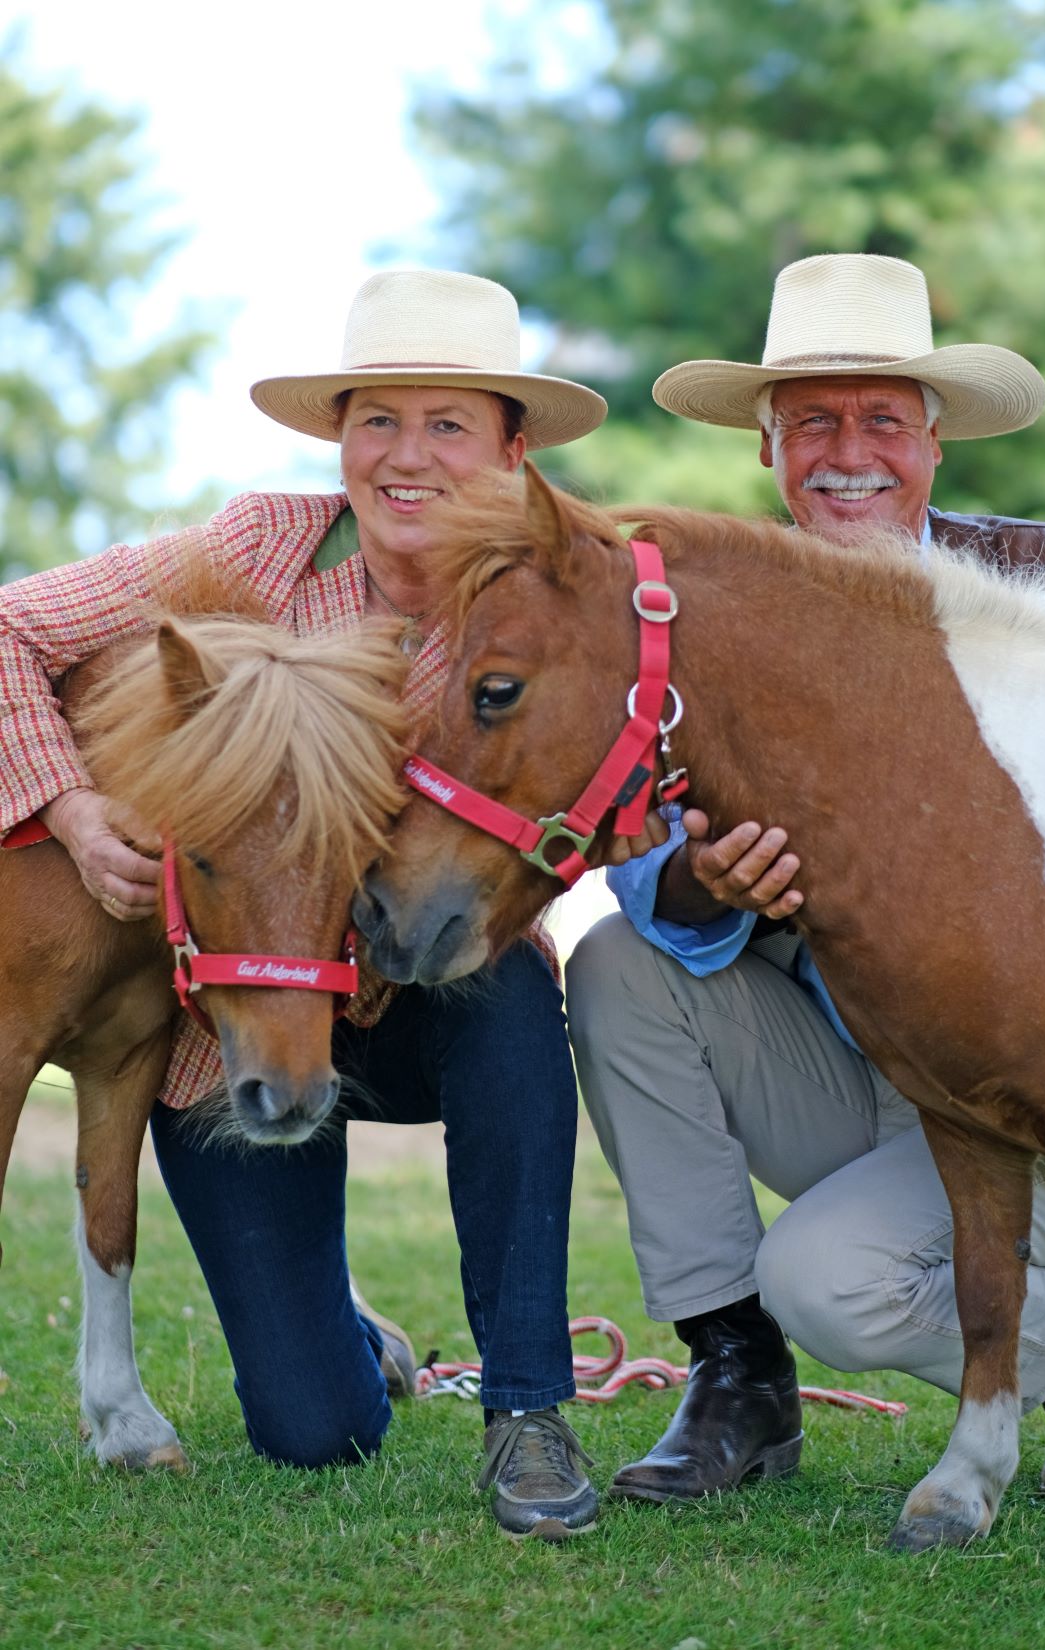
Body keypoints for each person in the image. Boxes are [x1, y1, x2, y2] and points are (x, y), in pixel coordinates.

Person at [566, 253, 1045, 1505]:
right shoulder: (714, 628)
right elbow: (645, 900)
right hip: (883, 1068)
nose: (850, 453)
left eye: (883, 420)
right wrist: (707, 888)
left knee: (831, 1280)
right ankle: (732, 1369)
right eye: (813, 423)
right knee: (619, 962)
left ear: (933, 446)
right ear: (768, 454)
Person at [0, 268, 609, 1541]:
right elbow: (10, 627)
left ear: (511, 449)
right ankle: (342, 1331)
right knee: (312, 1429)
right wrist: (69, 806)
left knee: (510, 996)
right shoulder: (255, 549)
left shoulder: (550, 602)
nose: (406, 456)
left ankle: (528, 1412)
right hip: (238, 1020)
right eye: (376, 419)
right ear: (339, 439)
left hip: (420, 988)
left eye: (449, 425)